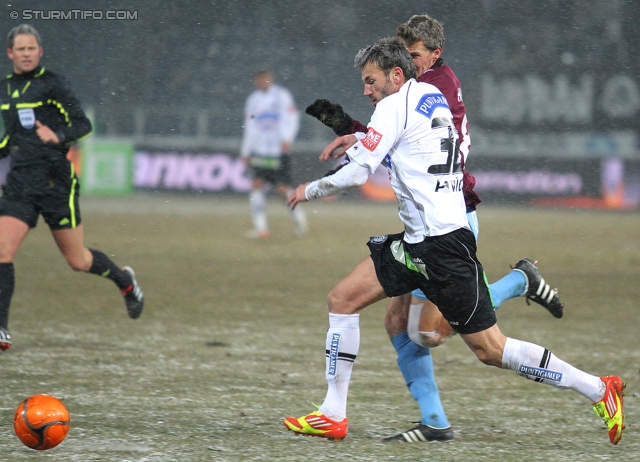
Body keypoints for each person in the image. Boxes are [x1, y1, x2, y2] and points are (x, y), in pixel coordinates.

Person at [283, 37, 625, 445]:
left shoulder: (393, 107)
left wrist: (311, 190)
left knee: (490, 350)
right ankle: (333, 413)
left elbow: (357, 175)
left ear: (395, 74)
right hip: (419, 243)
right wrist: (361, 136)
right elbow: (407, 146)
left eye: (370, 81)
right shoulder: (429, 95)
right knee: (342, 300)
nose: (365, 90)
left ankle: (598, 389)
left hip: (442, 249)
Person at [0, 24, 144, 352]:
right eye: (19, 49)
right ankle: (2, 329)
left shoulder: (53, 84)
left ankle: (125, 281)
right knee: (2, 250)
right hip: (20, 183)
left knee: (77, 260)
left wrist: (58, 135)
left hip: (55, 182)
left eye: (31, 48)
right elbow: (11, 139)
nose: (25, 54)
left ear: (40, 52)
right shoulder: (5, 89)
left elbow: (83, 123)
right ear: (10, 53)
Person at [240, 69, 307, 239]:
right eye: (258, 80)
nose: (261, 82)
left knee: (282, 188)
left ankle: (300, 221)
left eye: (264, 79)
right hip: (260, 151)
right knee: (256, 185)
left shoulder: (282, 96)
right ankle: (261, 229)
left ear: (270, 79)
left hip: (278, 150)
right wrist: (246, 150)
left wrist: (287, 139)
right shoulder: (253, 100)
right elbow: (250, 125)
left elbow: (292, 118)